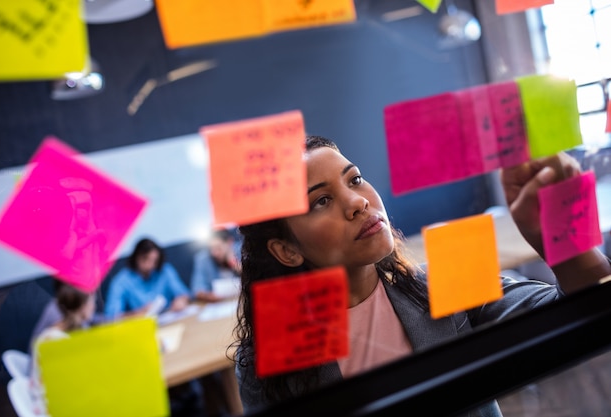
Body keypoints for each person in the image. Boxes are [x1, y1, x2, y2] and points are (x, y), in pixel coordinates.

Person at [232, 135, 611, 415]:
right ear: (286, 250)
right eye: (321, 201)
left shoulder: (444, 281)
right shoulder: (265, 361)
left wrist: (560, 234)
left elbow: (586, 311)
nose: (359, 202)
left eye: (354, 179)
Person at [29, 280, 96, 416]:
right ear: (83, 306)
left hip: (49, 401)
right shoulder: (57, 343)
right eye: (92, 301)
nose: (94, 306)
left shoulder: (58, 332)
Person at [104, 238, 190, 319]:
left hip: (168, 319)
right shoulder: (121, 281)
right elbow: (112, 316)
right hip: (141, 325)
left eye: (154, 261)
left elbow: (183, 293)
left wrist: (181, 300)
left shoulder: (164, 270)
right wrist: (139, 313)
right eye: (145, 259)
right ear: (136, 257)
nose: (150, 265)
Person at [191, 228, 242, 302]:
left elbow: (253, 277)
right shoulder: (203, 259)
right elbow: (197, 290)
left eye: (218, 248)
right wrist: (208, 296)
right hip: (219, 304)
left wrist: (233, 262)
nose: (214, 253)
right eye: (211, 248)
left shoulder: (242, 250)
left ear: (229, 242)